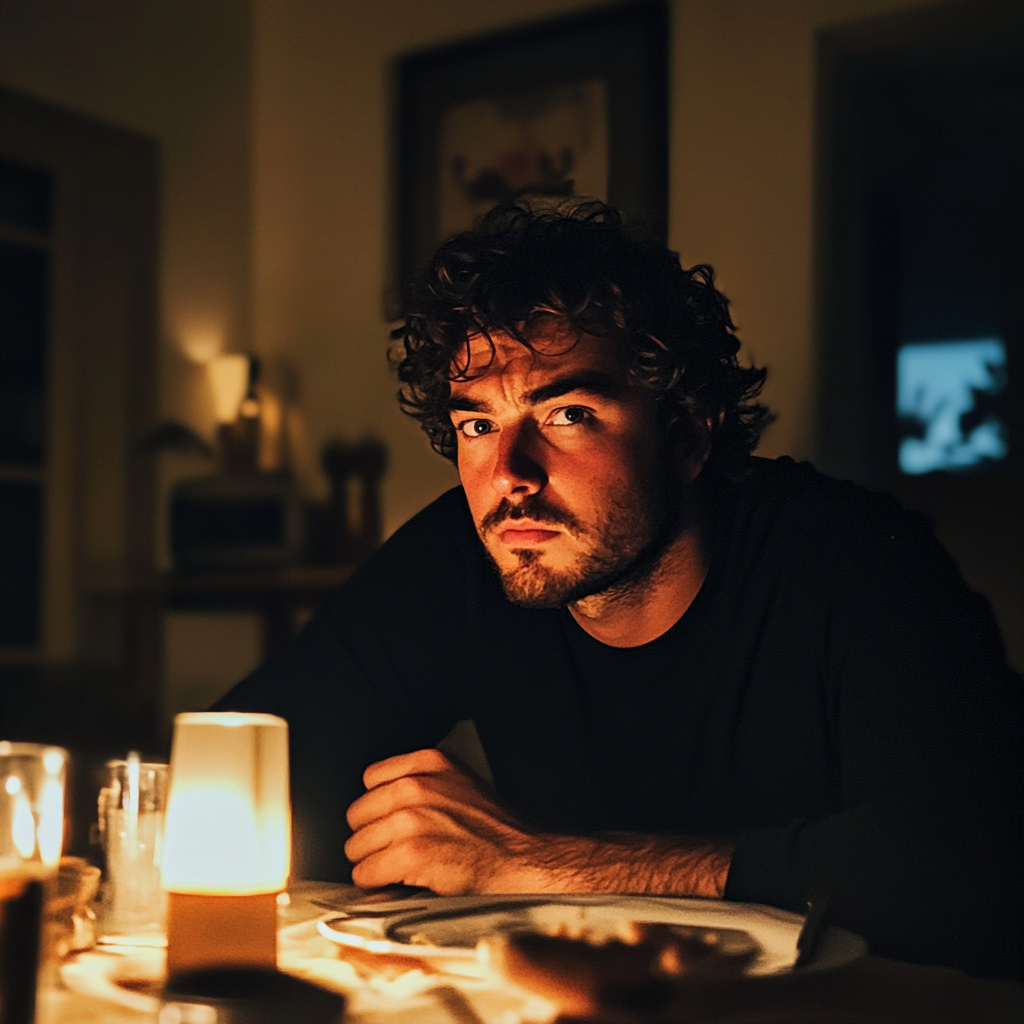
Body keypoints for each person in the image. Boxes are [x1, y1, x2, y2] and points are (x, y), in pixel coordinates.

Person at [216, 199, 1022, 979]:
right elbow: (241, 767)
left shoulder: (855, 561)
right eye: (476, 425)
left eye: (566, 415)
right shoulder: (459, 557)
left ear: (687, 433)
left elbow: (975, 870)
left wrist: (543, 865)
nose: (509, 476)